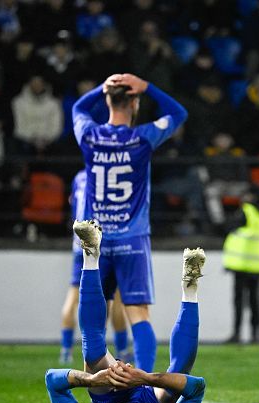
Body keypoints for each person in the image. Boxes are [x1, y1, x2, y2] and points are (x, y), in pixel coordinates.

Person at [45, 220, 206, 403]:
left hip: (108, 398)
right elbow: (197, 388)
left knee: (92, 354)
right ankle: (190, 289)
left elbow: (52, 381)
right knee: (179, 373)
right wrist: (147, 378)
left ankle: (90, 253)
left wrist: (91, 380)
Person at [71, 73, 187, 372]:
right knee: (138, 314)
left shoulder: (90, 136)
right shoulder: (142, 138)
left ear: (108, 100)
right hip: (132, 241)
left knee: (95, 321)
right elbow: (179, 113)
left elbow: (78, 110)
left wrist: (101, 86)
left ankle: (98, 395)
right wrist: (147, 86)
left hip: (96, 243)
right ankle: (144, 386)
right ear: (135, 102)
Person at [60, 170, 132, 365]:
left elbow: (73, 205)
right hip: (103, 242)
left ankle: (66, 350)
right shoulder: (106, 174)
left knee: (74, 296)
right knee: (114, 299)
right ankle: (120, 349)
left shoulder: (78, 177)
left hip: (79, 242)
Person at [223, 186, 259, 344]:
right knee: (254, 299)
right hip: (258, 264)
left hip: (242, 263)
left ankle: (236, 333)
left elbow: (227, 227)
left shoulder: (247, 211)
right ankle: (255, 334)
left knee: (239, 300)